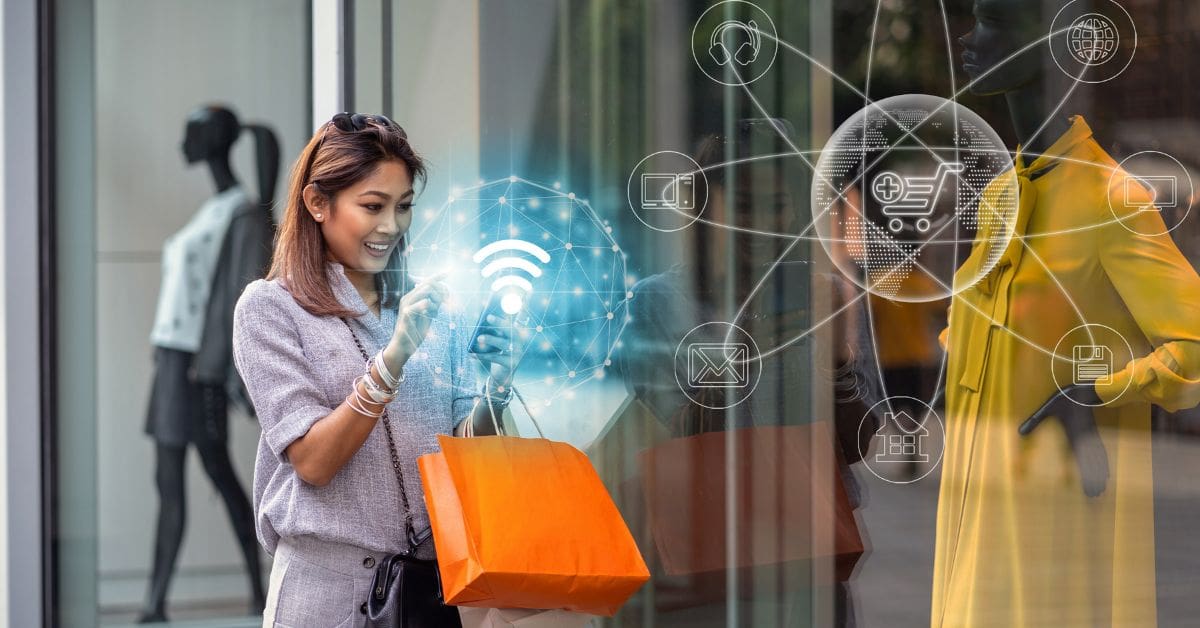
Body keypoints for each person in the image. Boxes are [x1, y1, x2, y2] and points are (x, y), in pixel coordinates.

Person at [932, 1, 1200, 625]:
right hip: (978, 480)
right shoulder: (1003, 192)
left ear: (1048, 41)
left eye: (994, 20)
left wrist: (1099, 392)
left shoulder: (1112, 199)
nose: (969, 37)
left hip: (1051, 501)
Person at [232, 113, 525, 627]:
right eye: (372, 206)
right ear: (317, 203)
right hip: (326, 596)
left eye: (403, 206)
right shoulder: (270, 308)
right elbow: (313, 462)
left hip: (432, 591)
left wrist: (497, 388)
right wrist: (393, 359)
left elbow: (469, 456)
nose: (391, 226)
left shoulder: (436, 310)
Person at [140, 105, 276, 622]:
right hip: (171, 358)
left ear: (214, 141)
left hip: (197, 365)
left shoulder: (240, 212)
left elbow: (235, 300)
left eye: (190, 133)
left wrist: (216, 367)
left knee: (218, 473)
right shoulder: (215, 210)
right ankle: (155, 602)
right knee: (170, 479)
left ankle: (260, 591)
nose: (183, 143)